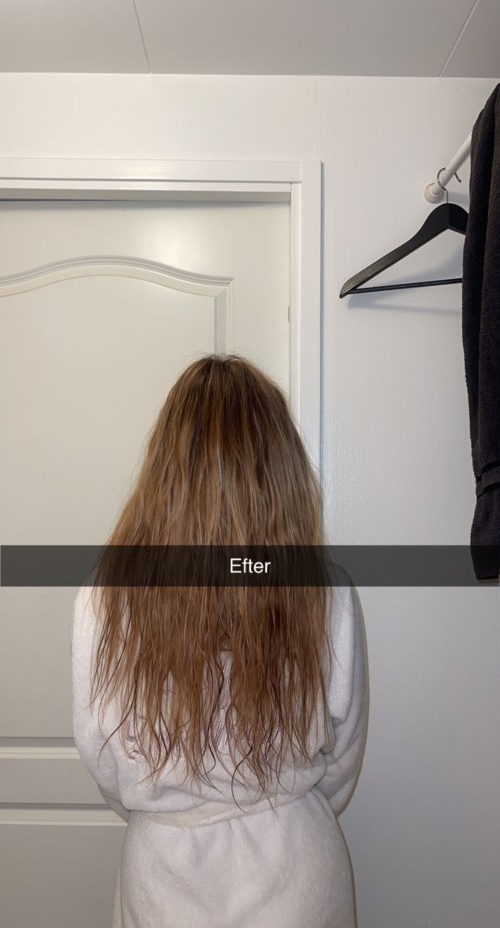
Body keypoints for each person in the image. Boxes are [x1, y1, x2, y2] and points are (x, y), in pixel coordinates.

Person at [71, 353, 368, 928]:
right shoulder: (325, 592)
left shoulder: (104, 601)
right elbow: (341, 759)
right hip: (300, 874)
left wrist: (171, 804)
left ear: (166, 468)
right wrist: (275, 802)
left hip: (163, 883)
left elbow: (104, 762)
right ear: (280, 470)